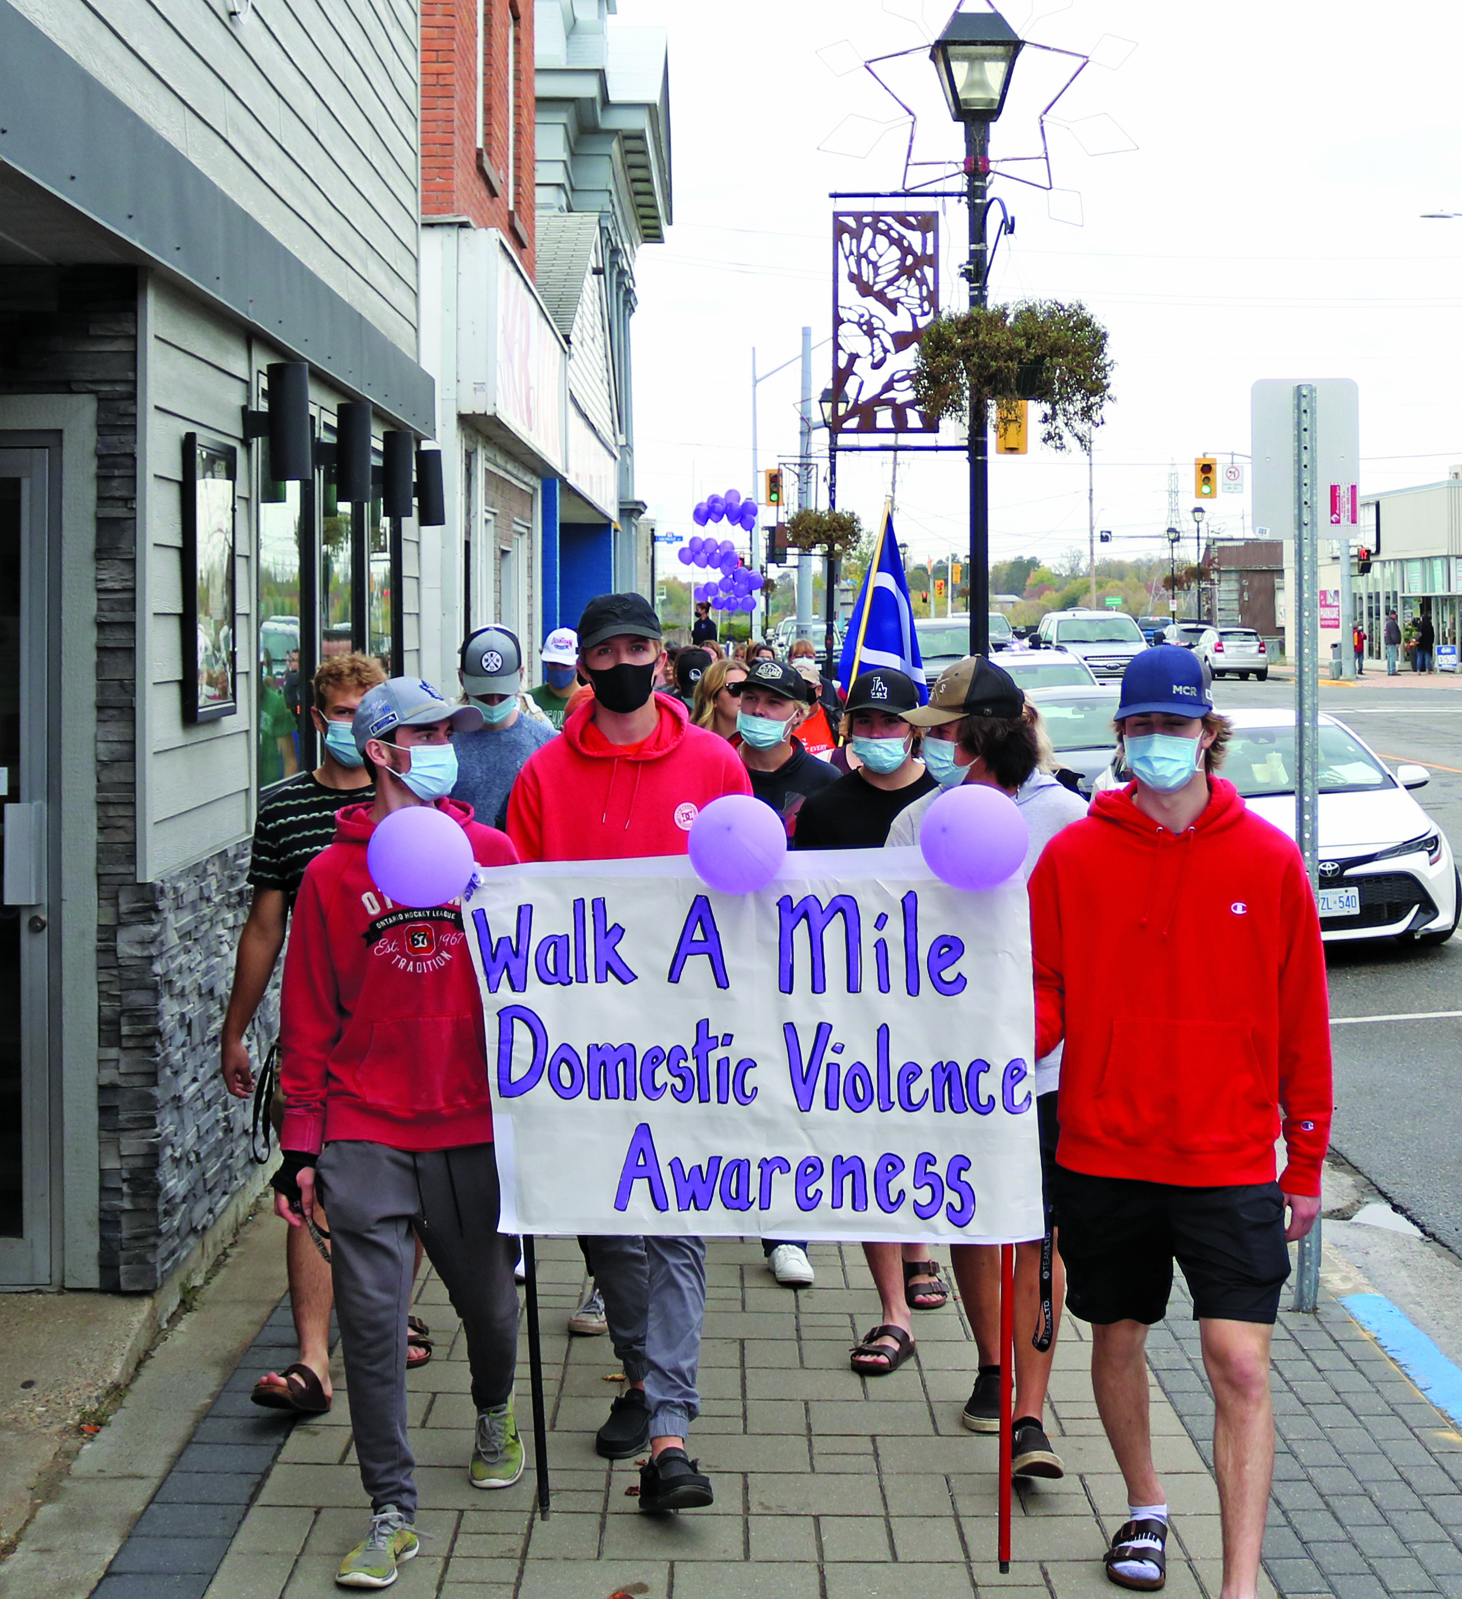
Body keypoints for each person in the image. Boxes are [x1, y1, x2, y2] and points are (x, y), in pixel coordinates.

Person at [1029, 645, 1331, 1597]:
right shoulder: (1072, 855)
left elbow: (1303, 1018)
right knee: (1117, 1335)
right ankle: (1147, 1504)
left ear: (1208, 731)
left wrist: (1306, 1158)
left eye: (1178, 724)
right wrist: (1000, 1045)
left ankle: (1238, 1583)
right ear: (1121, 736)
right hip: (1104, 1151)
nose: (1161, 739)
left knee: (1239, 1363)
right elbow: (1043, 987)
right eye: (1144, 725)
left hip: (1229, 1157)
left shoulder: (1268, 859)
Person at [275, 677, 525, 1589]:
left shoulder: (490, 852)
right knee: (372, 1319)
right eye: (424, 734)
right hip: (365, 1123)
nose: (443, 747)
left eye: (447, 732)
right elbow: (308, 1016)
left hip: (470, 1124)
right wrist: (300, 1146)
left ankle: (494, 1408)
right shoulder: (330, 875)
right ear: (379, 750)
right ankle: (391, 1508)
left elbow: (536, 985)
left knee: (490, 1308)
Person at [507, 592, 752, 1513]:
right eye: (605, 651)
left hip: (688, 1043)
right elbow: (523, 905)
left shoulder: (714, 763)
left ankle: (671, 1434)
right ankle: (641, 1375)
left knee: (677, 1228)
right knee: (608, 1227)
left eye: (637, 647)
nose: (622, 663)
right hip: (585, 1048)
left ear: (661, 656)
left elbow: (751, 895)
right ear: (584, 664)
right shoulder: (543, 773)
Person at [884, 657, 1087, 1478]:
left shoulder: (1067, 816)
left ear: (983, 737)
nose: (933, 748)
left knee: (1036, 1232)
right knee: (973, 1218)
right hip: (952, 1071)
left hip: (1045, 1071)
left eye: (946, 735)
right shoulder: (916, 822)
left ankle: (1030, 1412)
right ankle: (993, 1363)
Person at [221, 653, 393, 1414]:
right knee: (309, 1180)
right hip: (317, 1032)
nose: (352, 726)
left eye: (367, 713)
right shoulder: (285, 808)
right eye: (341, 713)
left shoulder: (410, 803)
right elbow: (265, 926)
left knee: (400, 1188)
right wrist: (234, 1030)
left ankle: (390, 1317)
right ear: (318, 719)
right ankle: (313, 1358)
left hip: (396, 1029)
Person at [724, 657, 840, 1293]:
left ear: (799, 714)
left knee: (788, 1091)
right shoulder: (714, 768)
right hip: (714, 956)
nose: (758, 712)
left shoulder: (824, 783)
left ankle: (787, 1230)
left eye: (773, 703)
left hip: (795, 964)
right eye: (751, 700)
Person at [792, 669, 936, 851]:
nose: (875, 733)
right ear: (850, 728)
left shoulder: (942, 799)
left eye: (890, 721)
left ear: (914, 727)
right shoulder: (821, 809)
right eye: (864, 721)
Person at [451, 625, 556, 831]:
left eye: (502, 696)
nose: (493, 703)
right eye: (483, 696)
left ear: (521, 675)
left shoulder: (546, 743)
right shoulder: (444, 743)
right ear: (461, 678)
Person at [528, 627, 580, 729]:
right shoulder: (529, 701)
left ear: (579, 663)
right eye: (553, 663)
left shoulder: (591, 702)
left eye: (565, 665)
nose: (558, 669)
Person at [692, 657, 749, 739]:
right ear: (713, 697)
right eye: (735, 689)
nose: (743, 697)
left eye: (748, 692)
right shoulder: (692, 740)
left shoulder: (758, 743)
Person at [1384, 609, 1402, 676]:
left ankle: (1390, 670)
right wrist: (1397, 641)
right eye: (1394, 614)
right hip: (1392, 642)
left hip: (1388, 641)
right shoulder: (1392, 623)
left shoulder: (1387, 622)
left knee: (1389, 656)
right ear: (1392, 615)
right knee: (1392, 657)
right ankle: (1392, 670)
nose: (1396, 616)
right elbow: (1394, 633)